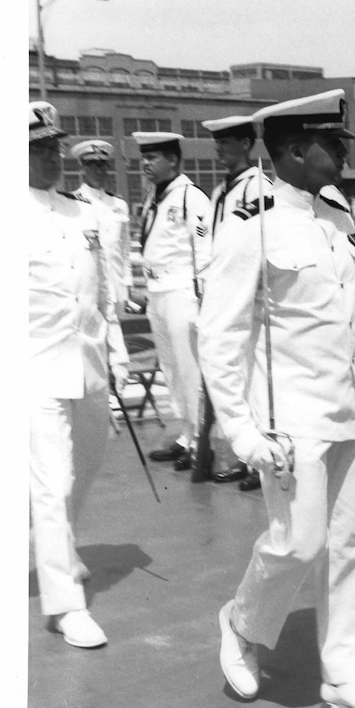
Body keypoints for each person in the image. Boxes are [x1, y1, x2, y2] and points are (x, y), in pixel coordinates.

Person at [198, 89, 355, 708]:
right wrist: (242, 430)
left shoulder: (339, 217)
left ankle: (345, 678)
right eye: (331, 143)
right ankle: (240, 620)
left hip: (350, 413)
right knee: (298, 543)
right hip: (292, 424)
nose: (343, 153)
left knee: (351, 545)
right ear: (292, 149)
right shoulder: (249, 226)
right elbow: (221, 334)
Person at [29, 102, 129, 648]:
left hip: (87, 361)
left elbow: (104, 290)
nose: (50, 158)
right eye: (36, 149)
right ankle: (65, 604)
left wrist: (113, 354)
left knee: (86, 465)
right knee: (53, 481)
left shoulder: (82, 213)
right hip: (33, 366)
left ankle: (61, 547)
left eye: (52, 147)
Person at [200, 115, 274, 491]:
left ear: (246, 144)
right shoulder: (220, 192)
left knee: (252, 381)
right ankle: (246, 461)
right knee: (239, 381)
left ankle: (257, 463)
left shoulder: (259, 188)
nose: (219, 148)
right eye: (217, 141)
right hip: (222, 292)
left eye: (226, 141)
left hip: (250, 302)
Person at [132, 130, 211, 471]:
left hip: (181, 291)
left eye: (153, 158)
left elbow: (203, 245)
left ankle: (200, 443)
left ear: (173, 160)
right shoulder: (154, 197)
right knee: (171, 368)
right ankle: (187, 432)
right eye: (143, 158)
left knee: (189, 367)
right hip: (157, 292)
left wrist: (203, 294)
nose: (146, 164)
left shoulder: (190, 198)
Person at [69, 140, 132, 310]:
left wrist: (127, 283)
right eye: (93, 164)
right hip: (87, 286)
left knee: (116, 334)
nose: (99, 170)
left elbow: (124, 248)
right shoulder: (72, 203)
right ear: (82, 167)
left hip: (115, 284)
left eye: (103, 165)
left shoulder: (119, 205)